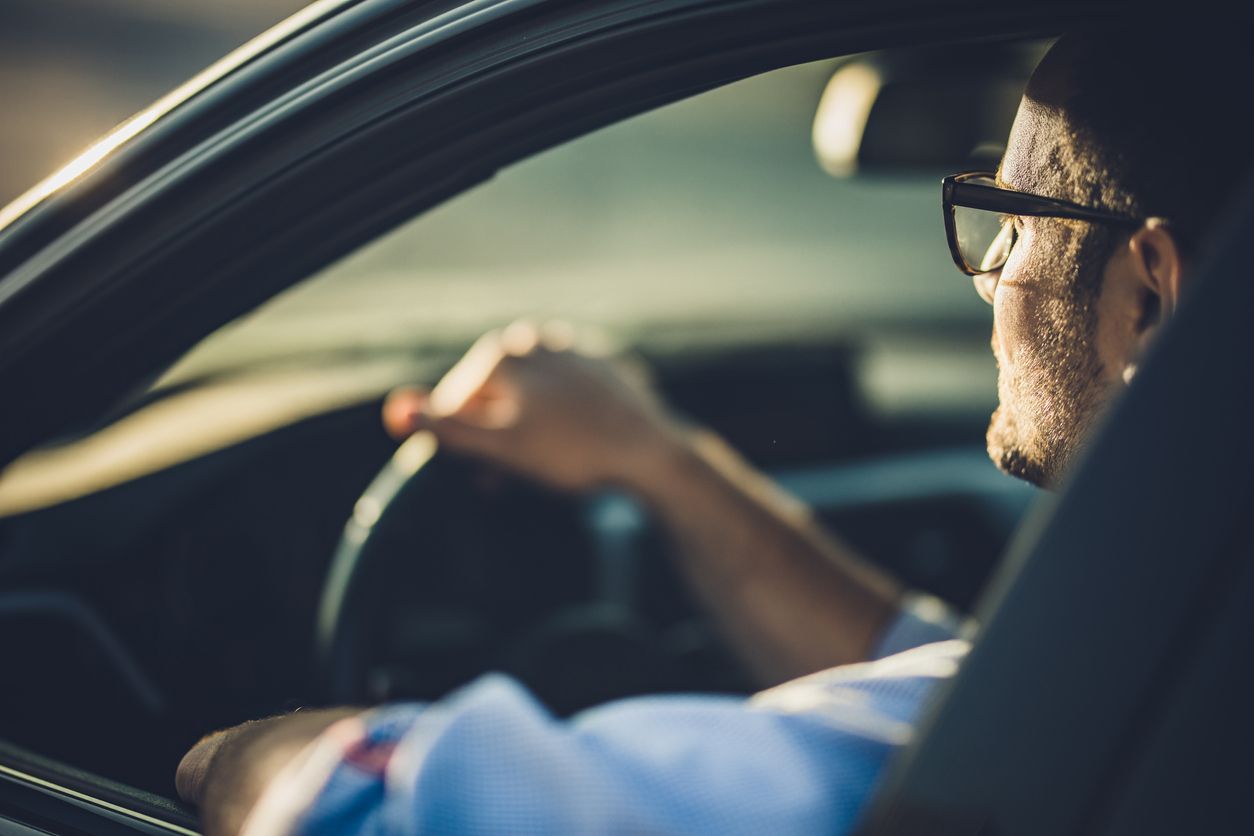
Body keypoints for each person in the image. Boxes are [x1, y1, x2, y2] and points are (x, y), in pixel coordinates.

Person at [175, 27, 1248, 835]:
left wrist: (215, 754)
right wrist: (659, 464)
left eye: (1016, 226)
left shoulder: (1083, 742)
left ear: (1147, 298)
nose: (989, 282)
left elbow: (386, 804)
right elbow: (962, 688)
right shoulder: (1176, 654)